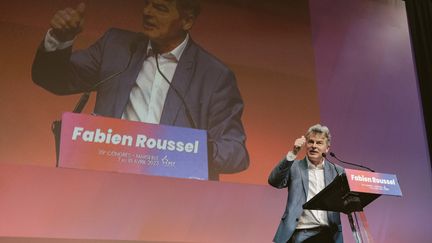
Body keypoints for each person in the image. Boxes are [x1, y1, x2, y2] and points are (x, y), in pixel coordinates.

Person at [31, 0, 249, 180]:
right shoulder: (115, 46)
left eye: (160, 8)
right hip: (100, 186)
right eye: (147, 4)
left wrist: (184, 150)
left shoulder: (214, 76)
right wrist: (60, 39)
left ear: (187, 20)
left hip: (172, 201)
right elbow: (53, 79)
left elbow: (236, 153)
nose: (147, 12)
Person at [268, 124, 343, 243]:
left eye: (319, 143)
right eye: (310, 142)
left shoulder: (337, 171)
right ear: (305, 144)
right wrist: (293, 153)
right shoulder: (294, 167)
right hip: (301, 233)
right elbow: (274, 181)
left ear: (327, 148)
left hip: (329, 235)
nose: (314, 146)